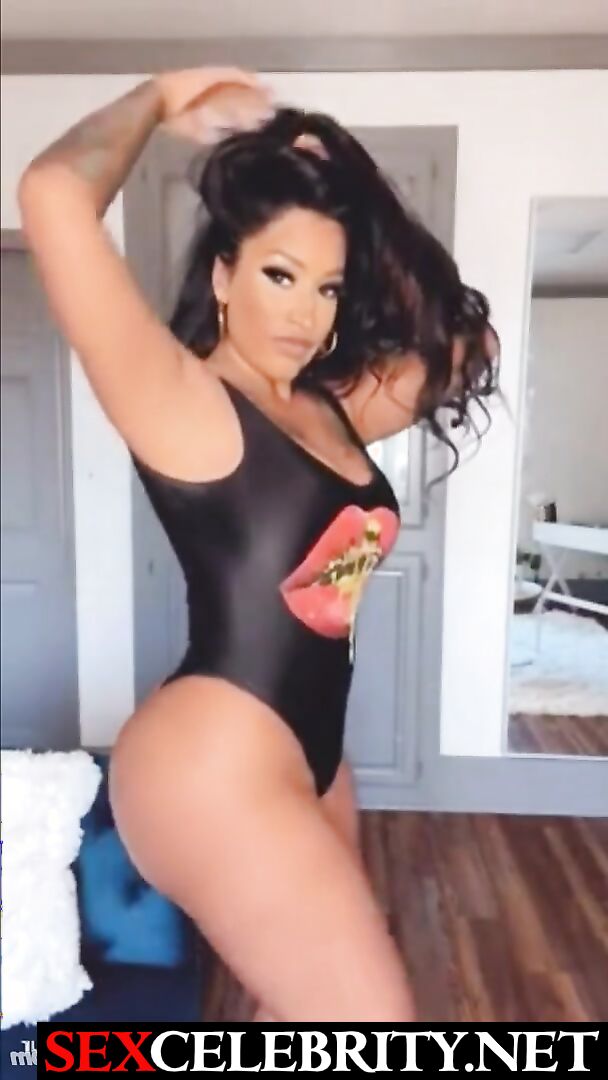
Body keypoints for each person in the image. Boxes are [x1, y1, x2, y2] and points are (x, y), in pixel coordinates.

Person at [18, 67, 501, 1022]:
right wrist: (160, 97)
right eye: (279, 274)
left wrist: (348, 178)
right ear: (223, 276)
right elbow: (52, 192)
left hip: (312, 756)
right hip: (211, 766)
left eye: (329, 287)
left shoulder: (330, 404)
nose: (305, 313)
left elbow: (466, 346)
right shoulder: (182, 399)